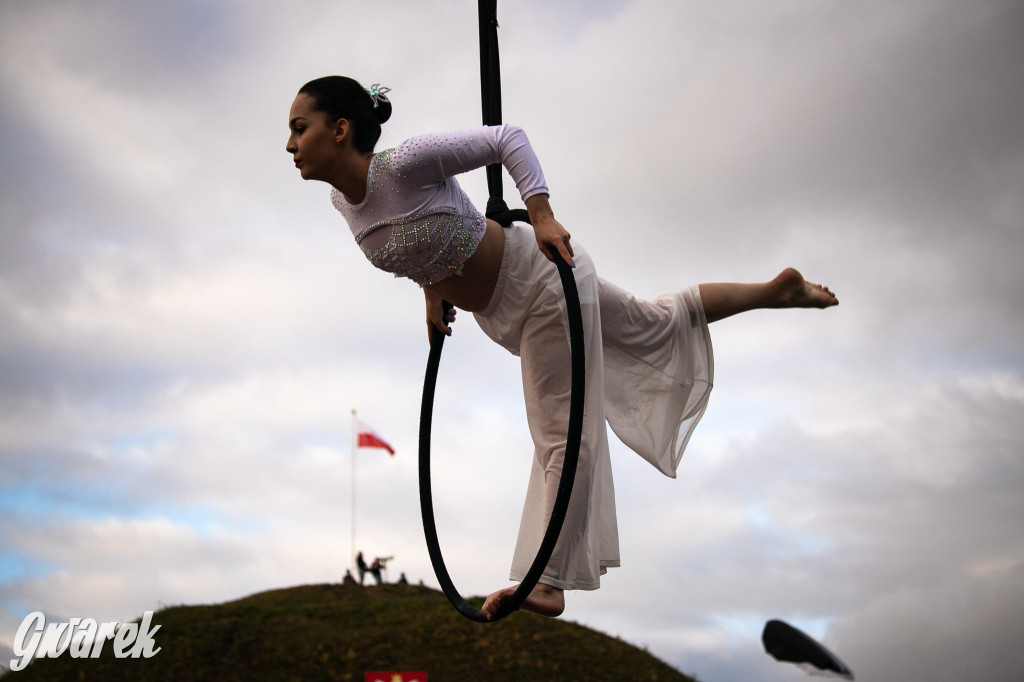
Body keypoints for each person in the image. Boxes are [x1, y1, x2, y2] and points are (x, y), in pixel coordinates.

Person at [286, 76, 837, 620]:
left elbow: (508, 138)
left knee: (561, 433)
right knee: (654, 322)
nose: (289, 145)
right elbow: (417, 240)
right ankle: (776, 291)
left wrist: (543, 214)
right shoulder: (343, 203)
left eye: (298, 128)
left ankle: (547, 581)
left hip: (542, 283)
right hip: (502, 310)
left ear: (339, 130)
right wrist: (431, 294)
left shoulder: (405, 163)